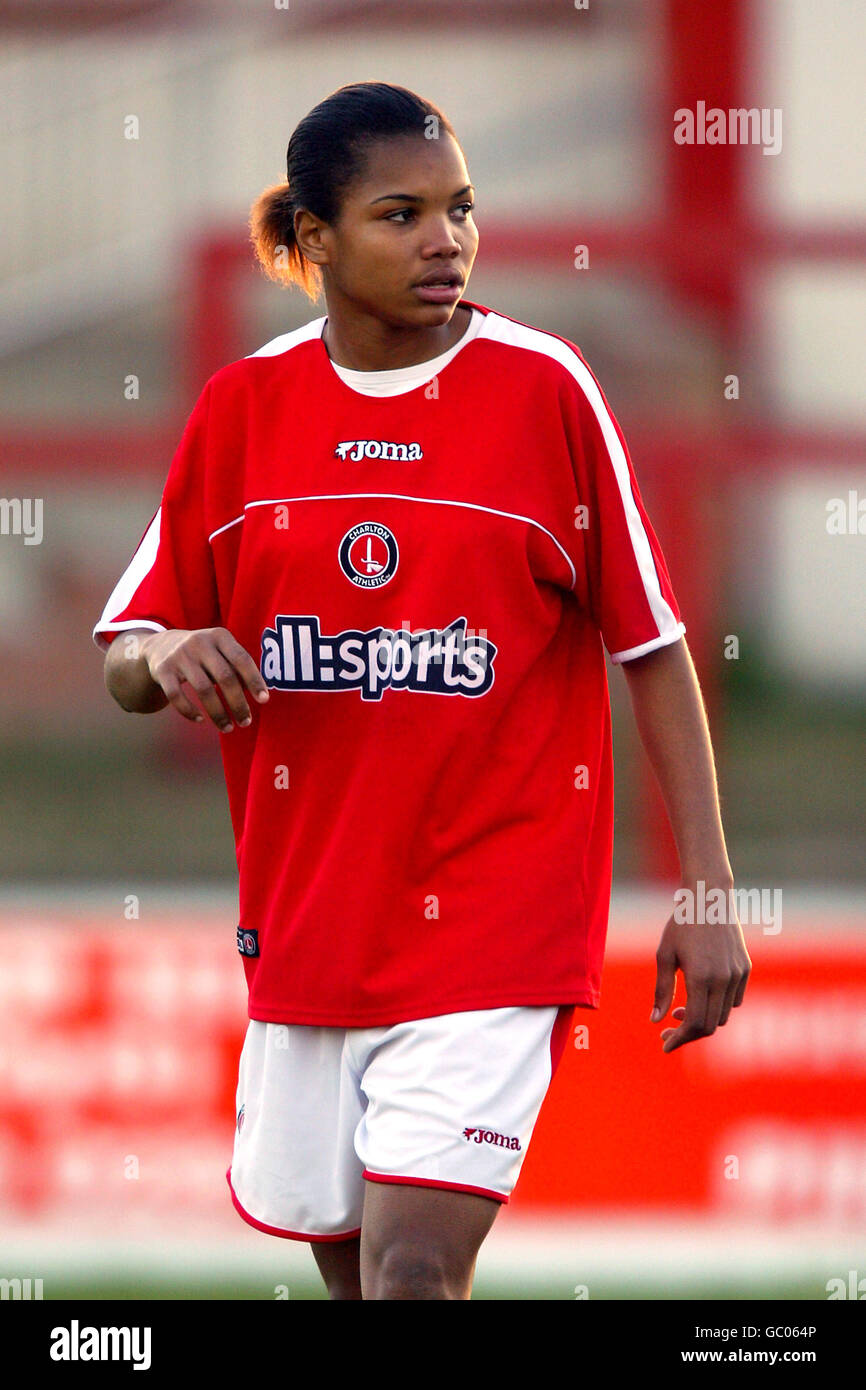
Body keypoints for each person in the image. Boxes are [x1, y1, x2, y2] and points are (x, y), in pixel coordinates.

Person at [93, 81, 751, 1301]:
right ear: (312, 242)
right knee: (358, 1287)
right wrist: (166, 653)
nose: (443, 238)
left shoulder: (543, 390)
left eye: (460, 208)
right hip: (310, 928)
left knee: (409, 1272)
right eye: (400, 214)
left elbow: (652, 646)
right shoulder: (243, 409)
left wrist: (706, 888)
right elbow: (128, 643)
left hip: (496, 921)